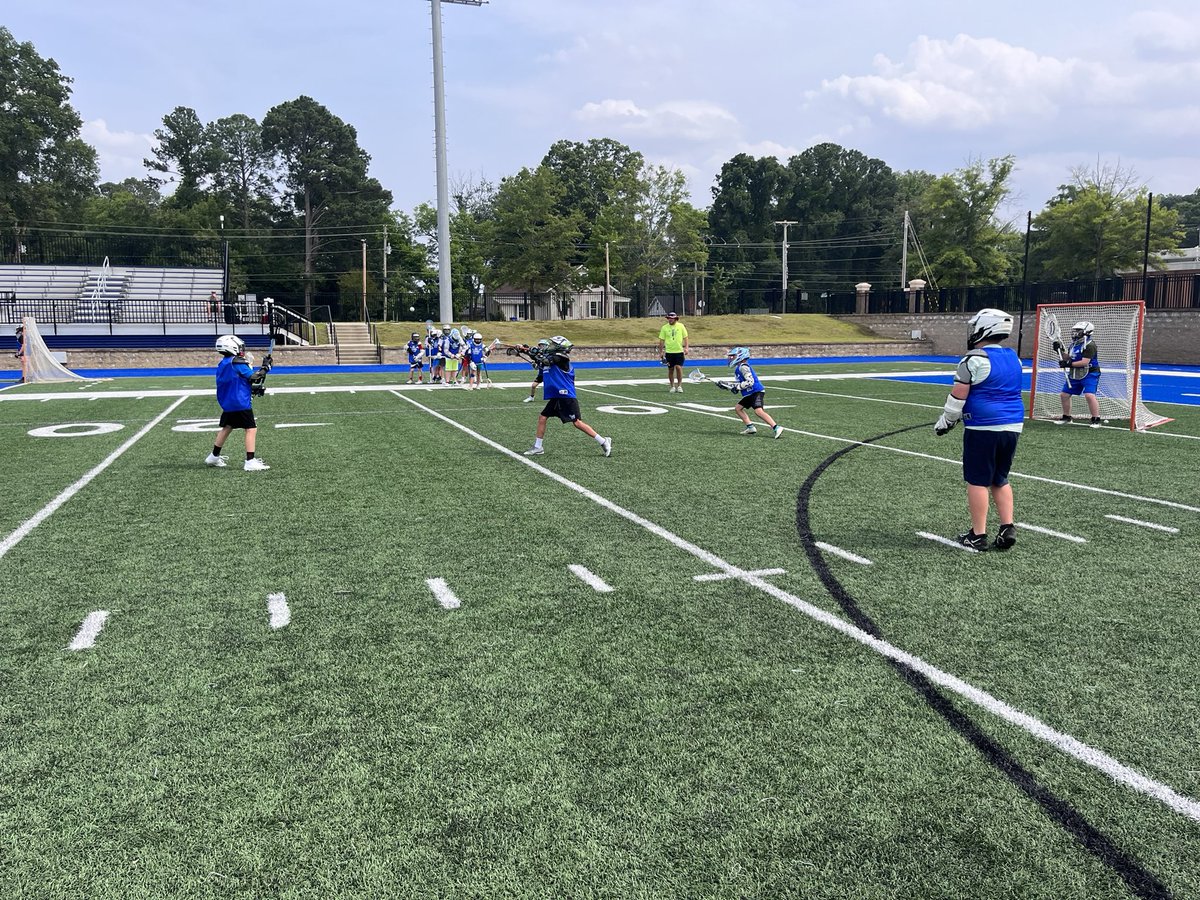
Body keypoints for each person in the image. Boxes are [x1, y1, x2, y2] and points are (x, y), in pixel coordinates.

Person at [933, 308, 1023, 552]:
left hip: (983, 426)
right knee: (1000, 478)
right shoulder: (1014, 357)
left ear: (984, 328)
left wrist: (946, 421)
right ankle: (1007, 527)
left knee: (977, 480)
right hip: (1013, 425)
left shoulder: (974, 359)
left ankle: (978, 534)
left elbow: (957, 397)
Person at [524, 335, 612, 457]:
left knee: (577, 423)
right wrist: (526, 351)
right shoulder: (553, 357)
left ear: (560, 347)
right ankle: (538, 447)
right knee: (542, 417)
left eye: (554, 345)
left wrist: (532, 352)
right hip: (557, 396)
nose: (551, 346)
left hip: (566, 396)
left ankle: (603, 441)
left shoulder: (562, 357)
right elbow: (542, 362)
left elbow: (546, 360)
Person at [205, 334, 272, 472]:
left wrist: (252, 388)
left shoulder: (223, 363)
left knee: (227, 427)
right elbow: (254, 377)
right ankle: (250, 461)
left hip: (228, 402)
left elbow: (237, 382)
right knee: (251, 429)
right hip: (239, 402)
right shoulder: (237, 362)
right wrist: (266, 367)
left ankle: (213, 456)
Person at [724, 346, 783, 438]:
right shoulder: (739, 368)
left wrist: (738, 387)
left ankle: (776, 427)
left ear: (740, 356)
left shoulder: (743, 367)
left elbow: (750, 382)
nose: (731, 358)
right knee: (738, 408)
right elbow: (741, 383)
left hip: (756, 391)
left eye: (733, 356)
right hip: (750, 393)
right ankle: (750, 427)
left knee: (758, 411)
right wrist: (728, 385)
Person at [1056, 320, 1103, 428]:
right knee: (1064, 395)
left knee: (1089, 395)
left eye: (1079, 331)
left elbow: (1084, 362)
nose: (1076, 333)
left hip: (1090, 373)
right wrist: (1059, 350)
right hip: (1075, 373)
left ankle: (1096, 419)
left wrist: (1068, 364)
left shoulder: (1090, 345)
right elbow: (1068, 358)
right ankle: (1066, 417)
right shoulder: (1074, 345)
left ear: (1086, 332)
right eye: (1075, 330)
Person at [657, 311, 689, 393]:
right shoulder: (664, 328)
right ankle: (672, 386)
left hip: (679, 351)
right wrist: (661, 352)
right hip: (669, 352)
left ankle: (679, 386)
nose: (670, 320)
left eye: (671, 318)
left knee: (679, 367)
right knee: (670, 369)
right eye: (668, 318)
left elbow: (685, 337)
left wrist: (686, 348)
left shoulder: (681, 326)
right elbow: (661, 340)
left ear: (675, 319)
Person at [523, 338, 551, 402]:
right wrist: (534, 365)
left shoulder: (549, 354)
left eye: (543, 345)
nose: (541, 347)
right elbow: (537, 367)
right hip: (541, 374)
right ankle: (531, 397)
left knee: (552, 386)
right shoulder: (538, 354)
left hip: (549, 374)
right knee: (533, 385)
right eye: (540, 345)